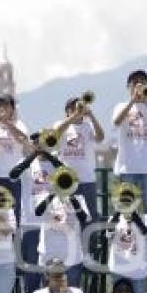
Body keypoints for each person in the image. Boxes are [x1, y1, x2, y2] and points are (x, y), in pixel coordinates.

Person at [9, 132, 62, 293]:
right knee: (32, 270)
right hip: (30, 224)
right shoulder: (26, 164)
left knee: (51, 269)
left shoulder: (56, 163)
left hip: (53, 224)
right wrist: (33, 156)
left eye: (43, 143)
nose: (40, 146)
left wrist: (49, 156)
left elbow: (70, 175)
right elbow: (13, 174)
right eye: (37, 143)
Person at [112, 69, 147, 219]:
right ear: (129, 87)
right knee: (127, 206)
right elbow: (116, 122)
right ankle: (130, 240)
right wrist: (132, 101)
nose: (139, 85)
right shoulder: (121, 106)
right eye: (135, 82)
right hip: (128, 166)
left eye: (142, 82)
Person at [53, 93, 106, 224]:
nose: (76, 109)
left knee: (91, 216)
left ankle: (89, 243)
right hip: (67, 181)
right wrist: (73, 117)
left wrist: (91, 115)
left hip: (87, 179)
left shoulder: (88, 126)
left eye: (78, 107)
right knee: (68, 217)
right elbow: (55, 135)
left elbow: (100, 137)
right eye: (72, 108)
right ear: (67, 111)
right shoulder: (61, 124)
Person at [34, 183, 90, 288]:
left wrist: (72, 198)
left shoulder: (79, 198)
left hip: (72, 259)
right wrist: (52, 195)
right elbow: (38, 212)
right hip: (48, 257)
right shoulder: (44, 197)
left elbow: (84, 218)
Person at [106, 202, 147, 293]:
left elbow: (146, 232)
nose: (127, 204)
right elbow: (109, 233)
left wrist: (135, 217)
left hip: (139, 271)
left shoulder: (146, 218)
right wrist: (118, 212)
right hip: (118, 269)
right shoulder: (113, 219)